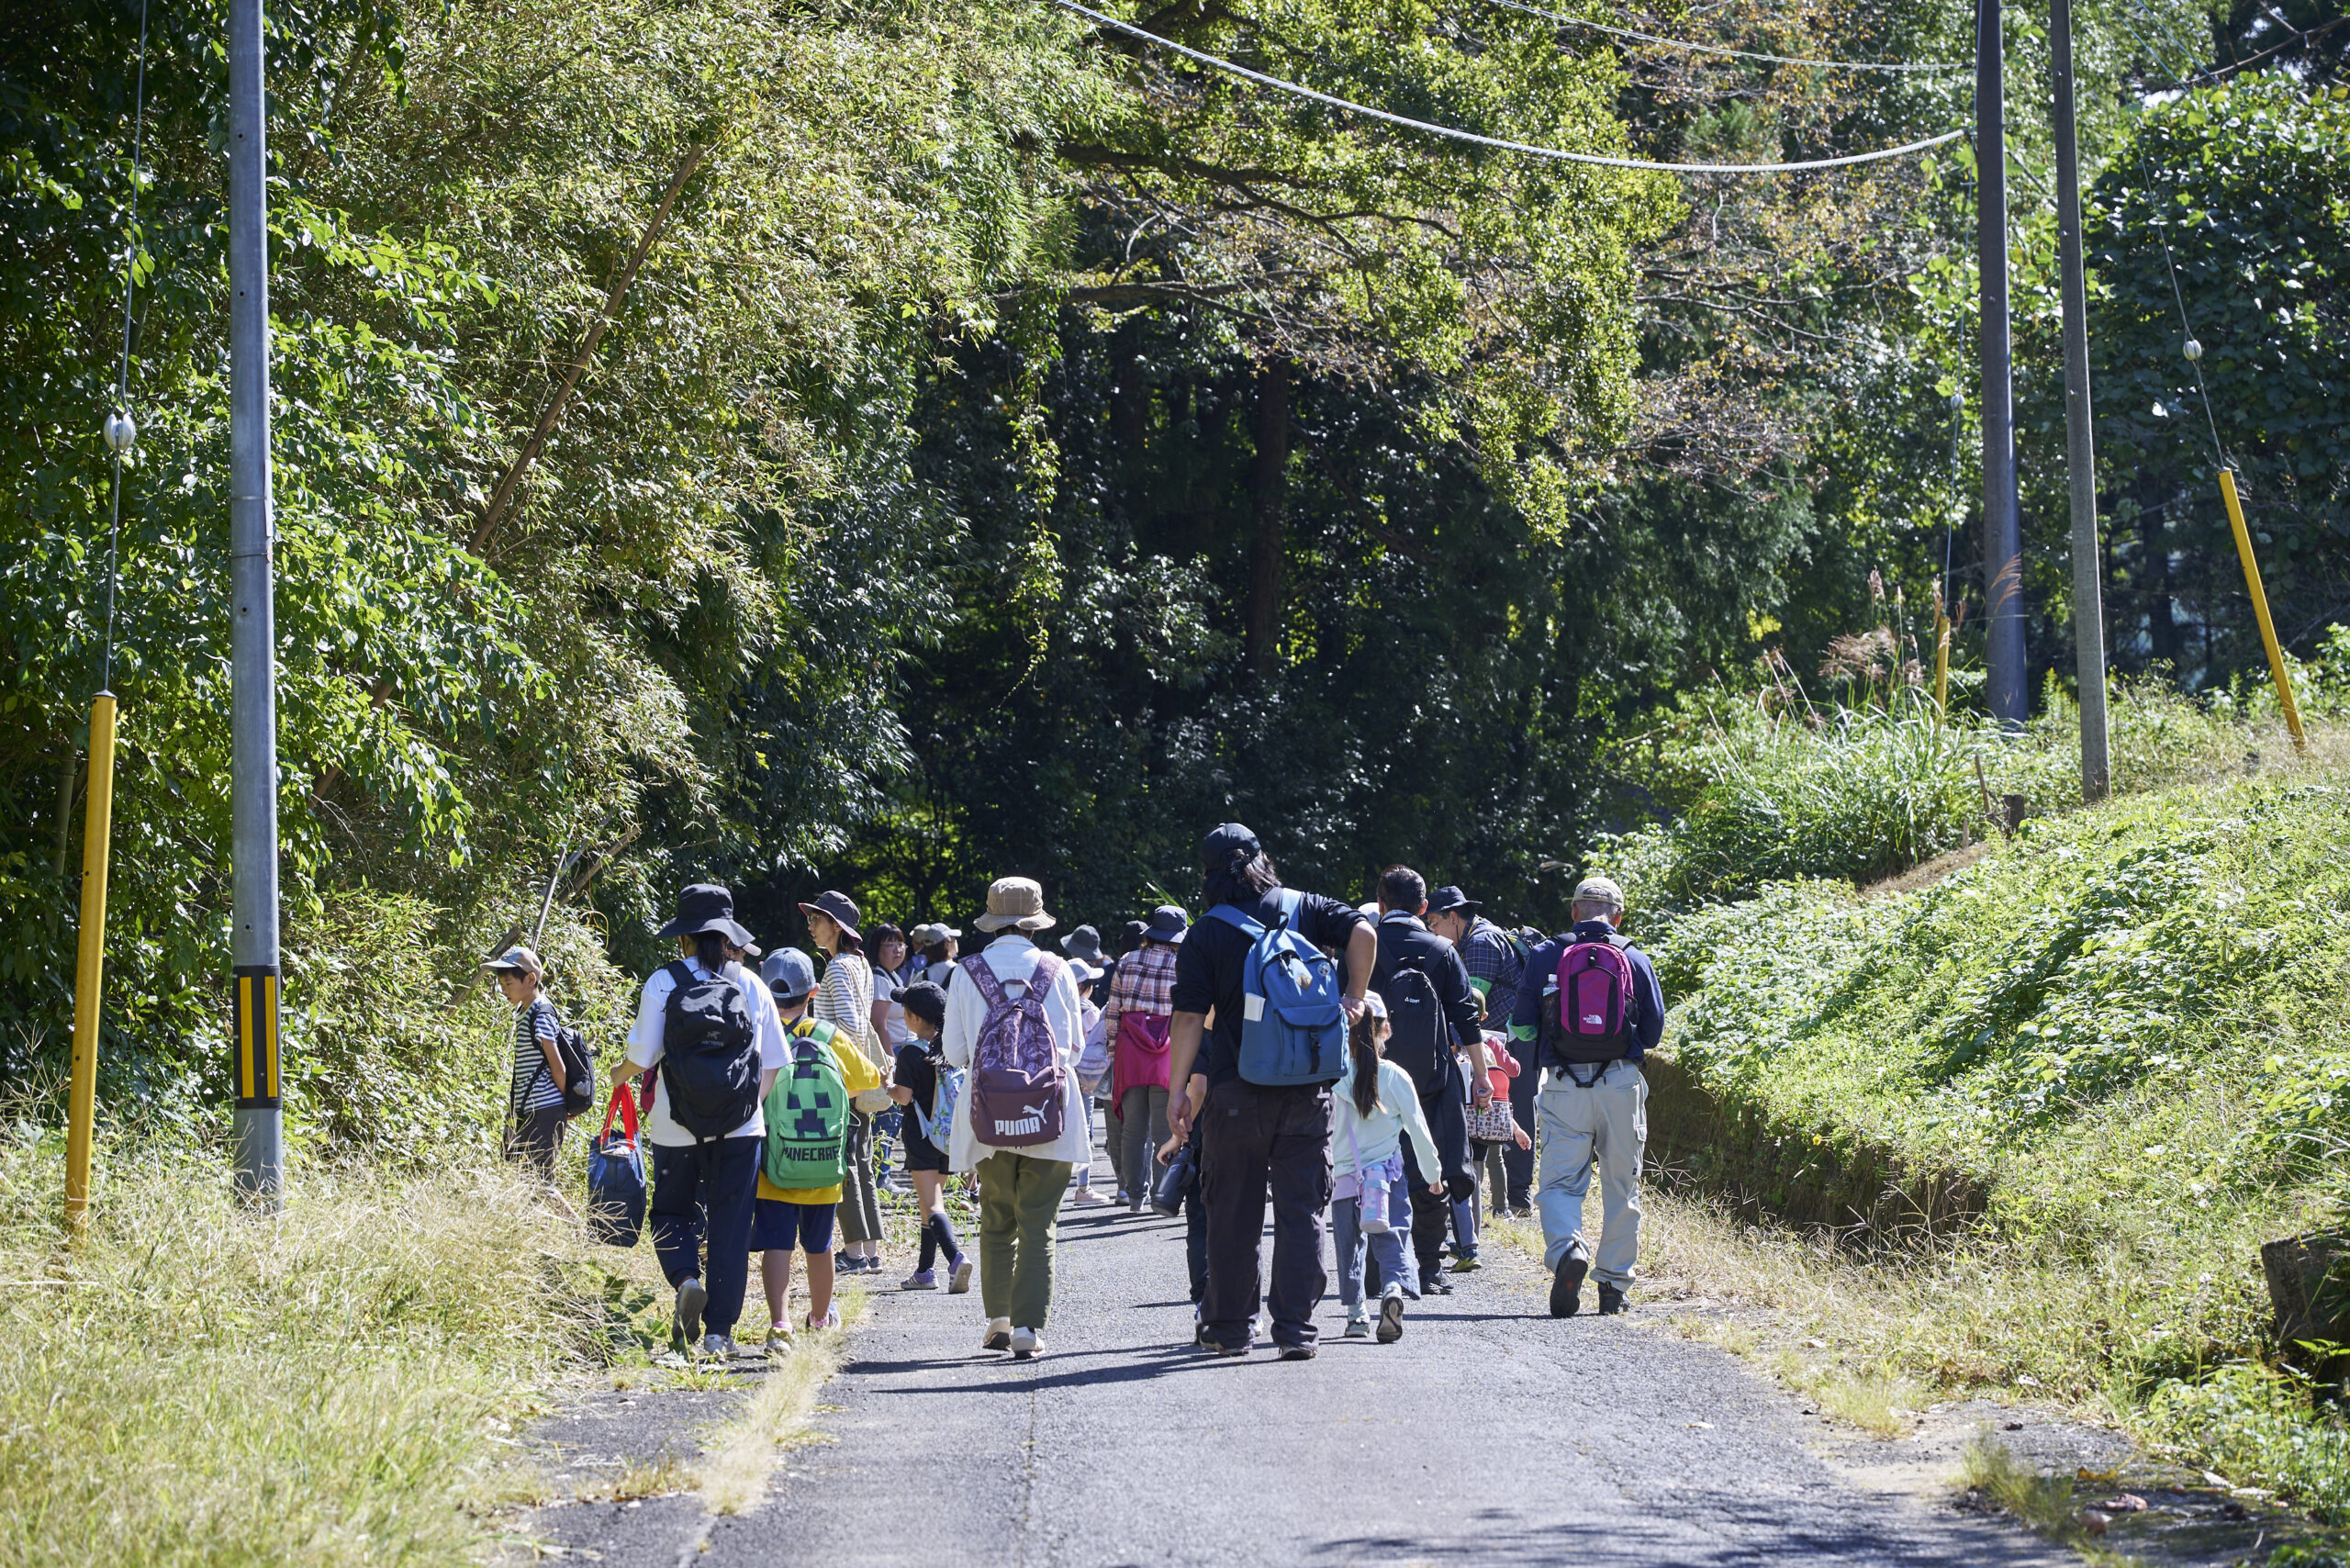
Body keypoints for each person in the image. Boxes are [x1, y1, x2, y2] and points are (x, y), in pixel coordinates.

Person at [1167, 823, 1376, 1361]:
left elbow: (1189, 1019)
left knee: (1232, 1214)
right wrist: (1354, 999)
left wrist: (1178, 1092)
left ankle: (1233, 1329)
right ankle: (1297, 1331)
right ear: (1263, 860)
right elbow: (1365, 933)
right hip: (1307, 1089)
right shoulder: (1305, 908)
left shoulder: (1205, 933)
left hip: (1236, 1092)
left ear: (1210, 875)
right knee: (1302, 1210)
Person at [612, 883, 788, 1357]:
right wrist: (745, 1105)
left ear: (683, 936)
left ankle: (687, 1278)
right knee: (731, 1223)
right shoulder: (751, 984)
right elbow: (774, 1061)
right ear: (727, 936)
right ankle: (718, 1334)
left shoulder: (662, 982)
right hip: (741, 1128)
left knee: (671, 1210)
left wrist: (617, 1075)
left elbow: (644, 1055)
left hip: (675, 1123)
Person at [942, 876, 1091, 1361]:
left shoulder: (966, 972)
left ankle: (999, 1320)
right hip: (1050, 1114)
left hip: (987, 1117)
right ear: (1034, 922)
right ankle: (1029, 1327)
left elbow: (955, 1052)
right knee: (1038, 1223)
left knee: (996, 1218)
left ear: (992, 920)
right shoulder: (1058, 970)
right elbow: (1072, 1047)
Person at [1508, 875, 1665, 1317]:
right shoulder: (1634, 957)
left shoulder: (1546, 954)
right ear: (1618, 916)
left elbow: (1521, 1025)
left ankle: (1566, 1252)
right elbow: (1652, 1033)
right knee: (1621, 1186)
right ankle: (1613, 1287)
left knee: (1558, 1184)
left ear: (1574, 911)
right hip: (1620, 1084)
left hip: (1563, 1084)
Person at [749, 946, 883, 1349]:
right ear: (813, 992)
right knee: (820, 1245)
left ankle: (780, 1324)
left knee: (776, 1243)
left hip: (773, 1165)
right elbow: (868, 1080)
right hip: (824, 1166)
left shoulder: (758, 1036)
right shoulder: (829, 1036)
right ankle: (821, 1318)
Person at [1370, 866, 1490, 1297]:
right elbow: (1466, 1018)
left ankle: (1376, 1267)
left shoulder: (1364, 945)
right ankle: (1426, 1266)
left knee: (1373, 1169)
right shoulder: (1442, 948)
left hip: (1374, 1079)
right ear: (1424, 907)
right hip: (1434, 1081)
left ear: (1381, 904)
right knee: (1431, 1171)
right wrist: (1480, 1075)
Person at [1331, 991, 1442, 1343]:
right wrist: (1433, 1175)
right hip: (1387, 1178)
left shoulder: (1332, 1077)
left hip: (1344, 1177)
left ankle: (1356, 1315)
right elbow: (1419, 1131)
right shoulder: (1395, 1078)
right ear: (1386, 1030)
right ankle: (1393, 1288)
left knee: (1350, 1247)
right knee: (1392, 1235)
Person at [1428, 885, 1535, 1216]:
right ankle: (1505, 1198)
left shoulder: (1481, 943)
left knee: (1512, 1113)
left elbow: (1471, 1005)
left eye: (1434, 922)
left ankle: (1517, 1200)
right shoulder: (1474, 938)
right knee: (1503, 1115)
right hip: (1502, 1039)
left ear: (1454, 917)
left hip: (1513, 1042)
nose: (1433, 931)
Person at [801, 890, 890, 1277]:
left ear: (836, 926)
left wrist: (833, 1061)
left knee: (845, 1163)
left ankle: (853, 1251)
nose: (811, 927)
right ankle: (869, 1250)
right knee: (863, 1161)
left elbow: (853, 1025)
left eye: (816, 920)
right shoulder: (861, 963)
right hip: (862, 1074)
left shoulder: (837, 967)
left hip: (843, 1076)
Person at [889, 980, 973, 1293]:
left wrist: (887, 1086)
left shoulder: (911, 1053)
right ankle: (924, 1272)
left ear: (912, 1018)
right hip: (949, 1136)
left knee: (932, 1203)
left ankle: (955, 1258)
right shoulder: (952, 1049)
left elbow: (905, 1097)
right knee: (929, 1205)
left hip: (922, 1135)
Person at [1105, 905, 1182, 1211]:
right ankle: (1162, 1195)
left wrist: (1113, 1050)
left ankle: (1134, 1194)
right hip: (1167, 1049)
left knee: (1133, 1128)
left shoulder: (1127, 960)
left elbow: (1113, 1011)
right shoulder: (1183, 964)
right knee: (1164, 1128)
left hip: (1131, 1050)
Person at [488, 945, 568, 1178]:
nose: (504, 991)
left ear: (531, 979)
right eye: (501, 985)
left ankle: (574, 1217)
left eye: (509, 984)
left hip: (545, 1109)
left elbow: (556, 1064)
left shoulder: (540, 1013)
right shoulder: (525, 1012)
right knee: (520, 1178)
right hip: (526, 1109)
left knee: (541, 1181)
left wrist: (567, 1104)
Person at [1062, 943, 1113, 1207]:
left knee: (1059, 1130)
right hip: (1086, 1082)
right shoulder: (1090, 1011)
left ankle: (1056, 1186)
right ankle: (1084, 1187)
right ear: (1082, 988)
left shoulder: (1056, 1010)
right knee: (1085, 1131)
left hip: (1061, 1078)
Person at [868, 923, 913, 1193]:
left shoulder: (892, 976)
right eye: (890, 945)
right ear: (878, 949)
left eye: (900, 944)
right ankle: (879, 1177)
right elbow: (879, 1024)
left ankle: (881, 1174)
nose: (897, 950)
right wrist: (890, 1060)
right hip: (891, 1051)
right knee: (887, 1115)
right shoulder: (880, 979)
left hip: (899, 1049)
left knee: (892, 1116)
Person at [912, 922, 962, 987]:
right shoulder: (961, 972)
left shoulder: (920, 977)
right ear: (947, 944)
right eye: (954, 938)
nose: (956, 941)